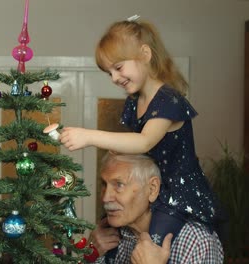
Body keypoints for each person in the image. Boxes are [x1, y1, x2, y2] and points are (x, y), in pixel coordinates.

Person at [59, 17, 223, 243]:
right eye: (109, 73)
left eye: (118, 68)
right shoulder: (135, 102)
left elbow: (144, 142)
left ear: (145, 54)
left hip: (177, 194)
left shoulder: (168, 100)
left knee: (154, 241)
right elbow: (135, 153)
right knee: (110, 228)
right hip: (150, 189)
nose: (115, 78)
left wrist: (88, 136)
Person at [87, 152, 223, 263]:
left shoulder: (195, 242)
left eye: (119, 184)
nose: (105, 198)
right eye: (104, 184)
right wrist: (89, 255)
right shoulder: (105, 237)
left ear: (152, 189)